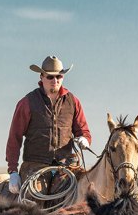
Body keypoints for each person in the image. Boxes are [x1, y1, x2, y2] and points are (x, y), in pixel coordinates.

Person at [6, 55, 92, 195]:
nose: (55, 80)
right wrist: (13, 171)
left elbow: (84, 131)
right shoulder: (27, 102)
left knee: (85, 196)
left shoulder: (73, 102)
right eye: (50, 77)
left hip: (67, 166)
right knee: (34, 201)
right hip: (35, 166)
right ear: (41, 77)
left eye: (59, 76)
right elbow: (14, 138)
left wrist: (85, 140)